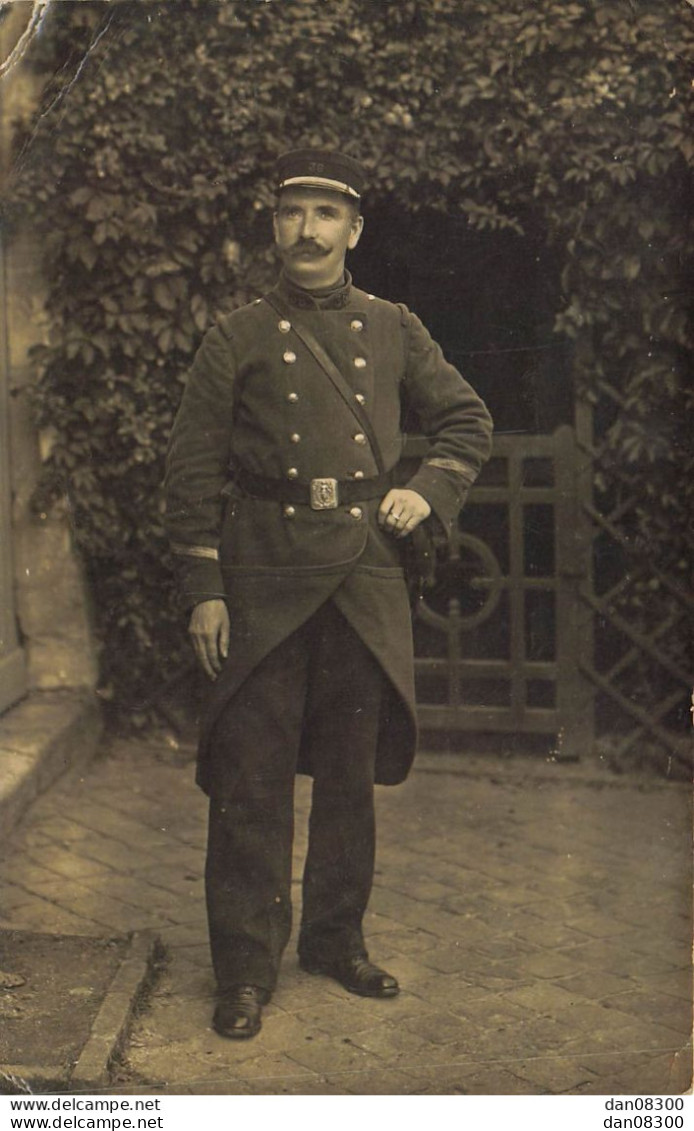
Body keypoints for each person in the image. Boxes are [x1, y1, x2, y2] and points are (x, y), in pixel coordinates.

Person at [164, 148, 493, 1039]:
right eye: (291, 212)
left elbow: (466, 419)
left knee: (349, 780)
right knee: (251, 781)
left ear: (353, 230)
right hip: (263, 577)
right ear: (275, 226)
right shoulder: (235, 334)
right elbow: (192, 466)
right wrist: (204, 584)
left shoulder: (393, 326)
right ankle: (243, 968)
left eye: (325, 214)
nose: (306, 230)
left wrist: (426, 490)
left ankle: (335, 940)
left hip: (362, 576)